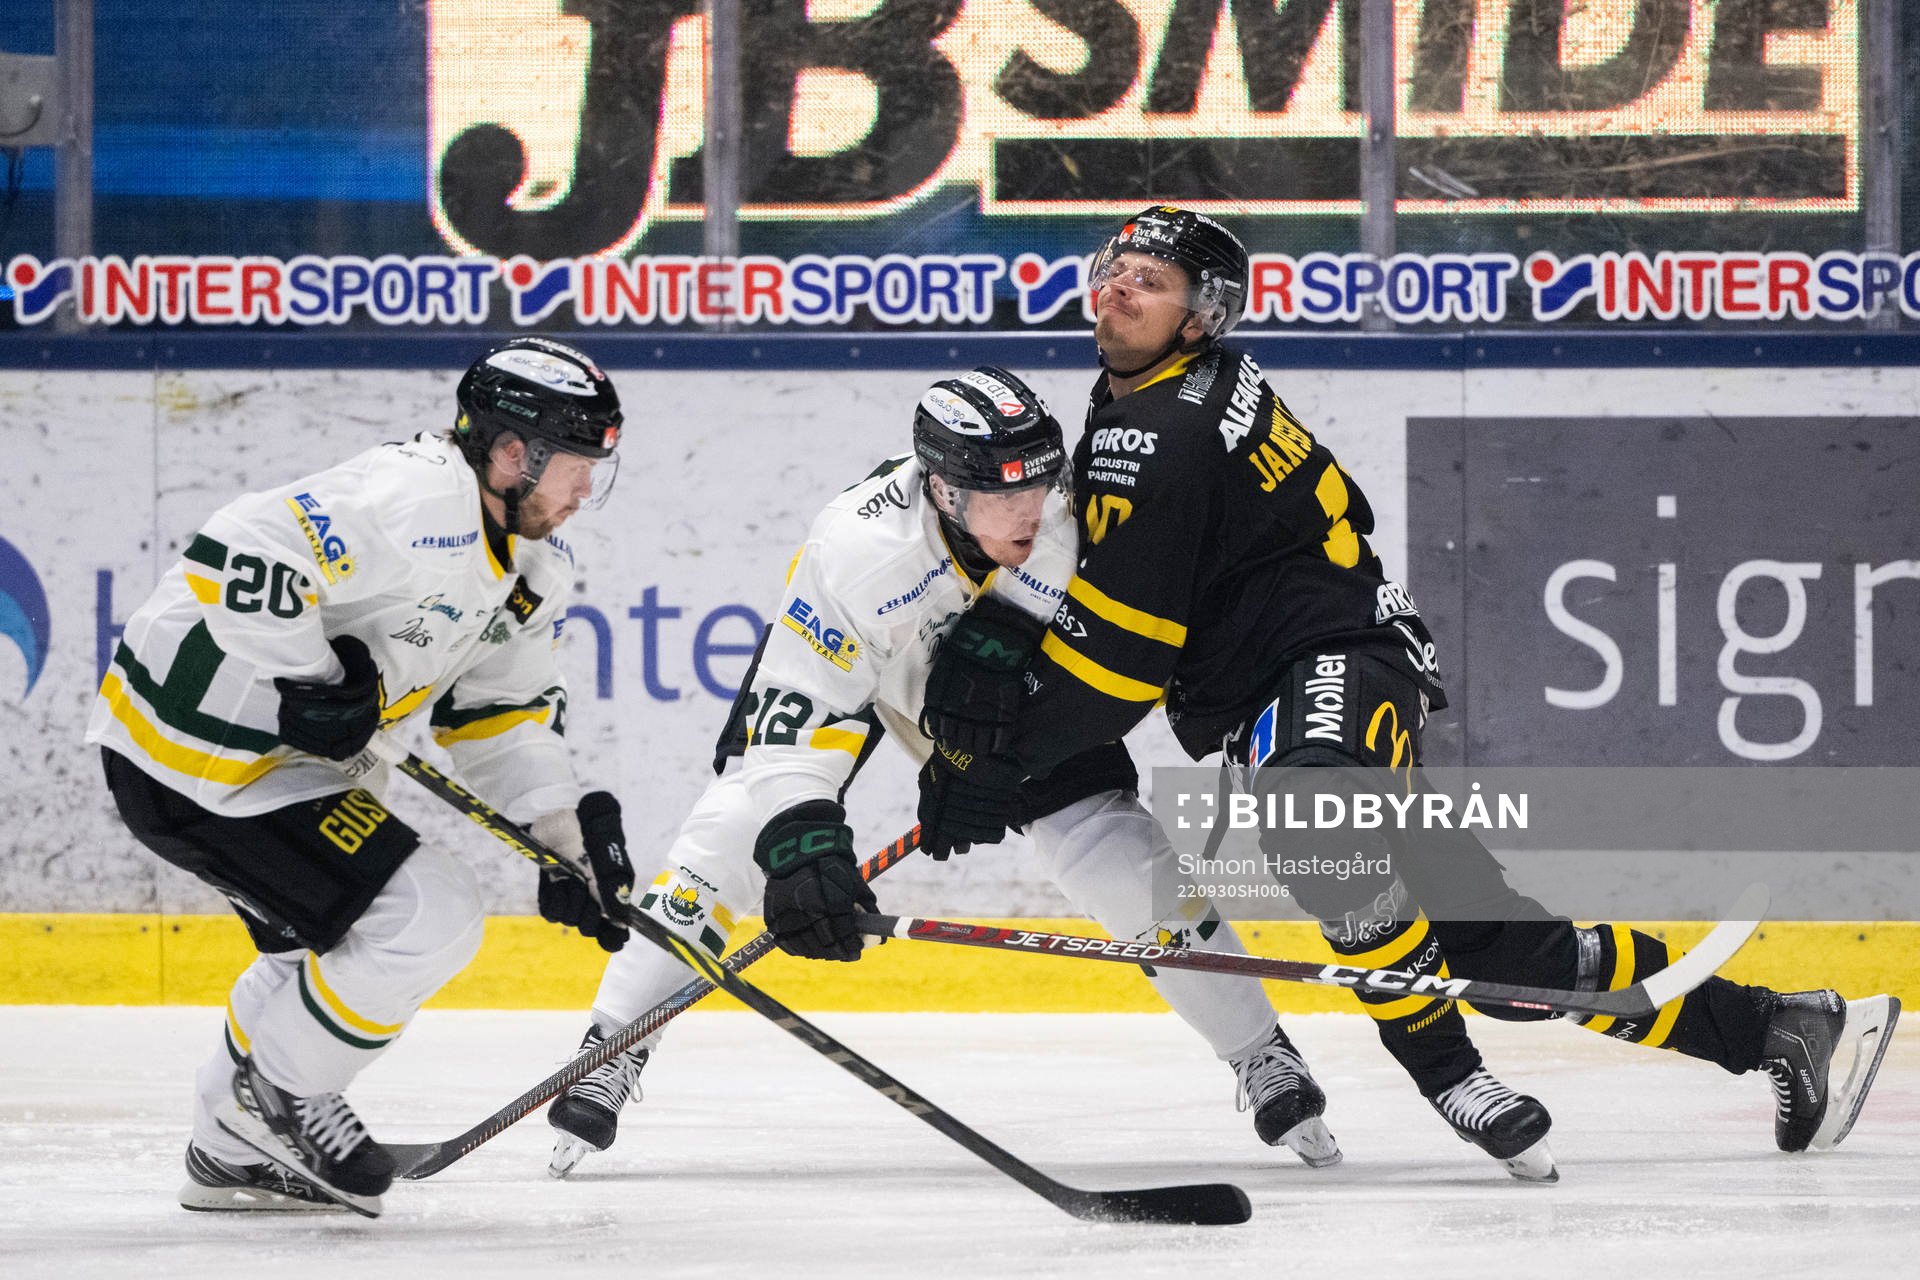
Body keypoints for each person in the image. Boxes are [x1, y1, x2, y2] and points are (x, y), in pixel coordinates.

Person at [909, 206, 1901, 1177]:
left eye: (1152, 280)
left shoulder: (1158, 425)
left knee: (1313, 819)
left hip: (1324, 661)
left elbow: (1125, 659)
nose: (1120, 285)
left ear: (1201, 315)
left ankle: (1452, 1076)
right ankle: (1779, 1023)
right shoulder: (1157, 392)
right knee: (1509, 954)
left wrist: (1001, 763)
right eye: (1116, 266)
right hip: (1311, 673)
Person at [543, 366, 1341, 1178]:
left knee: (1112, 855)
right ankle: (612, 1045)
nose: (1030, 509)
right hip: (859, 675)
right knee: (729, 838)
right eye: (1003, 496)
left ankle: (1259, 1051)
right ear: (944, 491)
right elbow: (793, 721)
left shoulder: (1058, 493)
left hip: (995, 684)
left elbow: (1067, 573)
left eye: (1040, 483)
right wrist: (801, 847)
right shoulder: (858, 554)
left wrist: (990, 698)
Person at [85, 337, 639, 1216]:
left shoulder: (533, 567)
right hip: (199, 756)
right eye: (575, 468)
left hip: (283, 768)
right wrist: (309, 674)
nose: (583, 493)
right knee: (429, 913)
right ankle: (280, 1103)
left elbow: (497, 715)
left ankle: (226, 1150)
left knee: (322, 944)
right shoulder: (417, 498)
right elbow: (233, 553)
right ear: (509, 454)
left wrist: (559, 835)